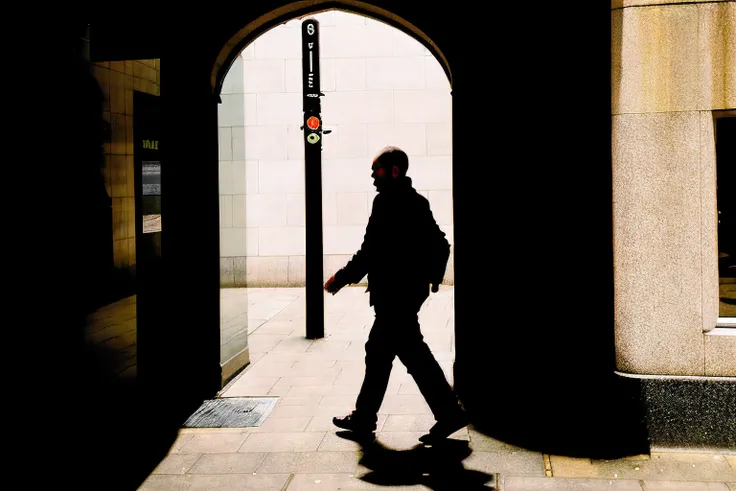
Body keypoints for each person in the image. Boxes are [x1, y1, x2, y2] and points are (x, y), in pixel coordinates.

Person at [324, 146, 468, 444]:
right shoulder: (417, 202)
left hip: (394, 296)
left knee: (409, 355)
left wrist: (341, 278)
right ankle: (365, 417)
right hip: (406, 294)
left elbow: (369, 252)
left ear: (394, 171)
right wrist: (431, 281)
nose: (372, 176)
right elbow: (441, 244)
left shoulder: (386, 203)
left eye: (376, 169)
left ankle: (447, 414)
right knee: (382, 353)